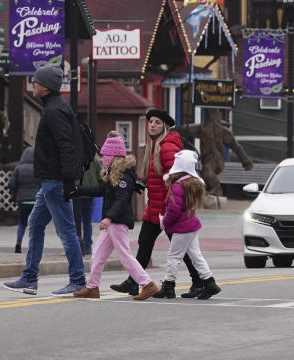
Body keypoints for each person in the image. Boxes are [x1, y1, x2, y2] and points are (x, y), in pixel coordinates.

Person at [3, 64, 86, 296]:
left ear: (47, 87)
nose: (33, 85)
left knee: (66, 231)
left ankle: (78, 280)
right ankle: (29, 278)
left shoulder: (54, 111)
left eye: (37, 82)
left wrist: (69, 180)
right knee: (35, 224)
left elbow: (66, 146)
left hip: (56, 181)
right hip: (50, 181)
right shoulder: (56, 107)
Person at [110, 108, 203, 298]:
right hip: (156, 205)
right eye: (150, 121)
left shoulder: (167, 146)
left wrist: (170, 205)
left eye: (157, 122)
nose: (152, 125)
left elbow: (175, 177)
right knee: (146, 243)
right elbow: (158, 175)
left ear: (165, 127)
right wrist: (143, 182)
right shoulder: (155, 145)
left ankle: (199, 282)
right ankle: (134, 282)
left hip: (166, 207)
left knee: (180, 249)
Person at [72, 132, 159, 300]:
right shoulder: (112, 174)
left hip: (117, 222)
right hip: (111, 223)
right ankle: (92, 287)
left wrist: (108, 217)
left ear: (113, 156)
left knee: (124, 255)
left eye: (105, 155)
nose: (103, 158)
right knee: (97, 254)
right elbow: (99, 190)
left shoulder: (123, 176)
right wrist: (78, 190)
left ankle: (147, 284)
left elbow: (121, 200)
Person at [152, 150, 221, 300]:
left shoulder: (178, 186)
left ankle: (168, 287)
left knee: (173, 257)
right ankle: (209, 283)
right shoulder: (192, 184)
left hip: (181, 227)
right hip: (191, 225)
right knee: (196, 256)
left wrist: (164, 221)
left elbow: (173, 210)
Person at [8, 146, 39, 254]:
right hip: (36, 200)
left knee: (22, 222)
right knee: (34, 224)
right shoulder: (38, 168)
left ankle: (18, 242)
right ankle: (32, 246)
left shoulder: (18, 168)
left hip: (22, 200)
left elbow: (11, 184)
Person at [75, 149, 103, 256]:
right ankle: (87, 247)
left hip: (77, 193)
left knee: (76, 222)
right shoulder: (95, 160)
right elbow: (100, 176)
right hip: (90, 193)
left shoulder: (76, 158)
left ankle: (78, 247)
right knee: (87, 222)